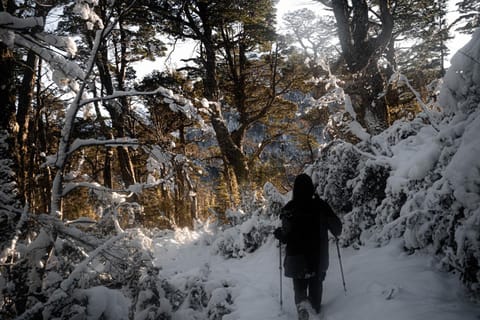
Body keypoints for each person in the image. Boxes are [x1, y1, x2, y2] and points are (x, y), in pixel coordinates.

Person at [274, 173, 342, 320]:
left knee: (299, 293)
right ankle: (314, 311)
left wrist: (279, 234)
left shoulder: (289, 209)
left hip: (296, 260)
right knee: (315, 294)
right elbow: (337, 229)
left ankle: (303, 312)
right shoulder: (320, 206)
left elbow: (285, 236)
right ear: (311, 188)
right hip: (317, 260)